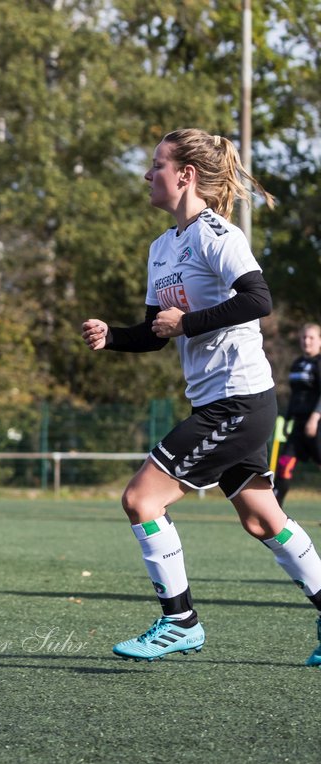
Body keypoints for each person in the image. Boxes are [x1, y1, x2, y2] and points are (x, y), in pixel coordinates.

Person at [81, 128, 321, 666]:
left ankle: (180, 621)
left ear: (185, 175)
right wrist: (113, 336)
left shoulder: (219, 235)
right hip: (222, 405)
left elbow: (258, 298)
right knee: (262, 519)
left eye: (157, 165)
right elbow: (155, 331)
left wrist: (187, 322)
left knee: (141, 500)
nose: (148, 175)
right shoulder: (162, 248)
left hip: (238, 402)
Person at [272, 323, 321, 507]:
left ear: (320, 341)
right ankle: (275, 512)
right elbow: (295, 396)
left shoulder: (319, 363)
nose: (306, 341)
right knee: (284, 464)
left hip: (316, 423)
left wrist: (315, 418)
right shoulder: (297, 364)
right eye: (303, 337)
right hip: (298, 425)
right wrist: (287, 420)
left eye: (311, 338)